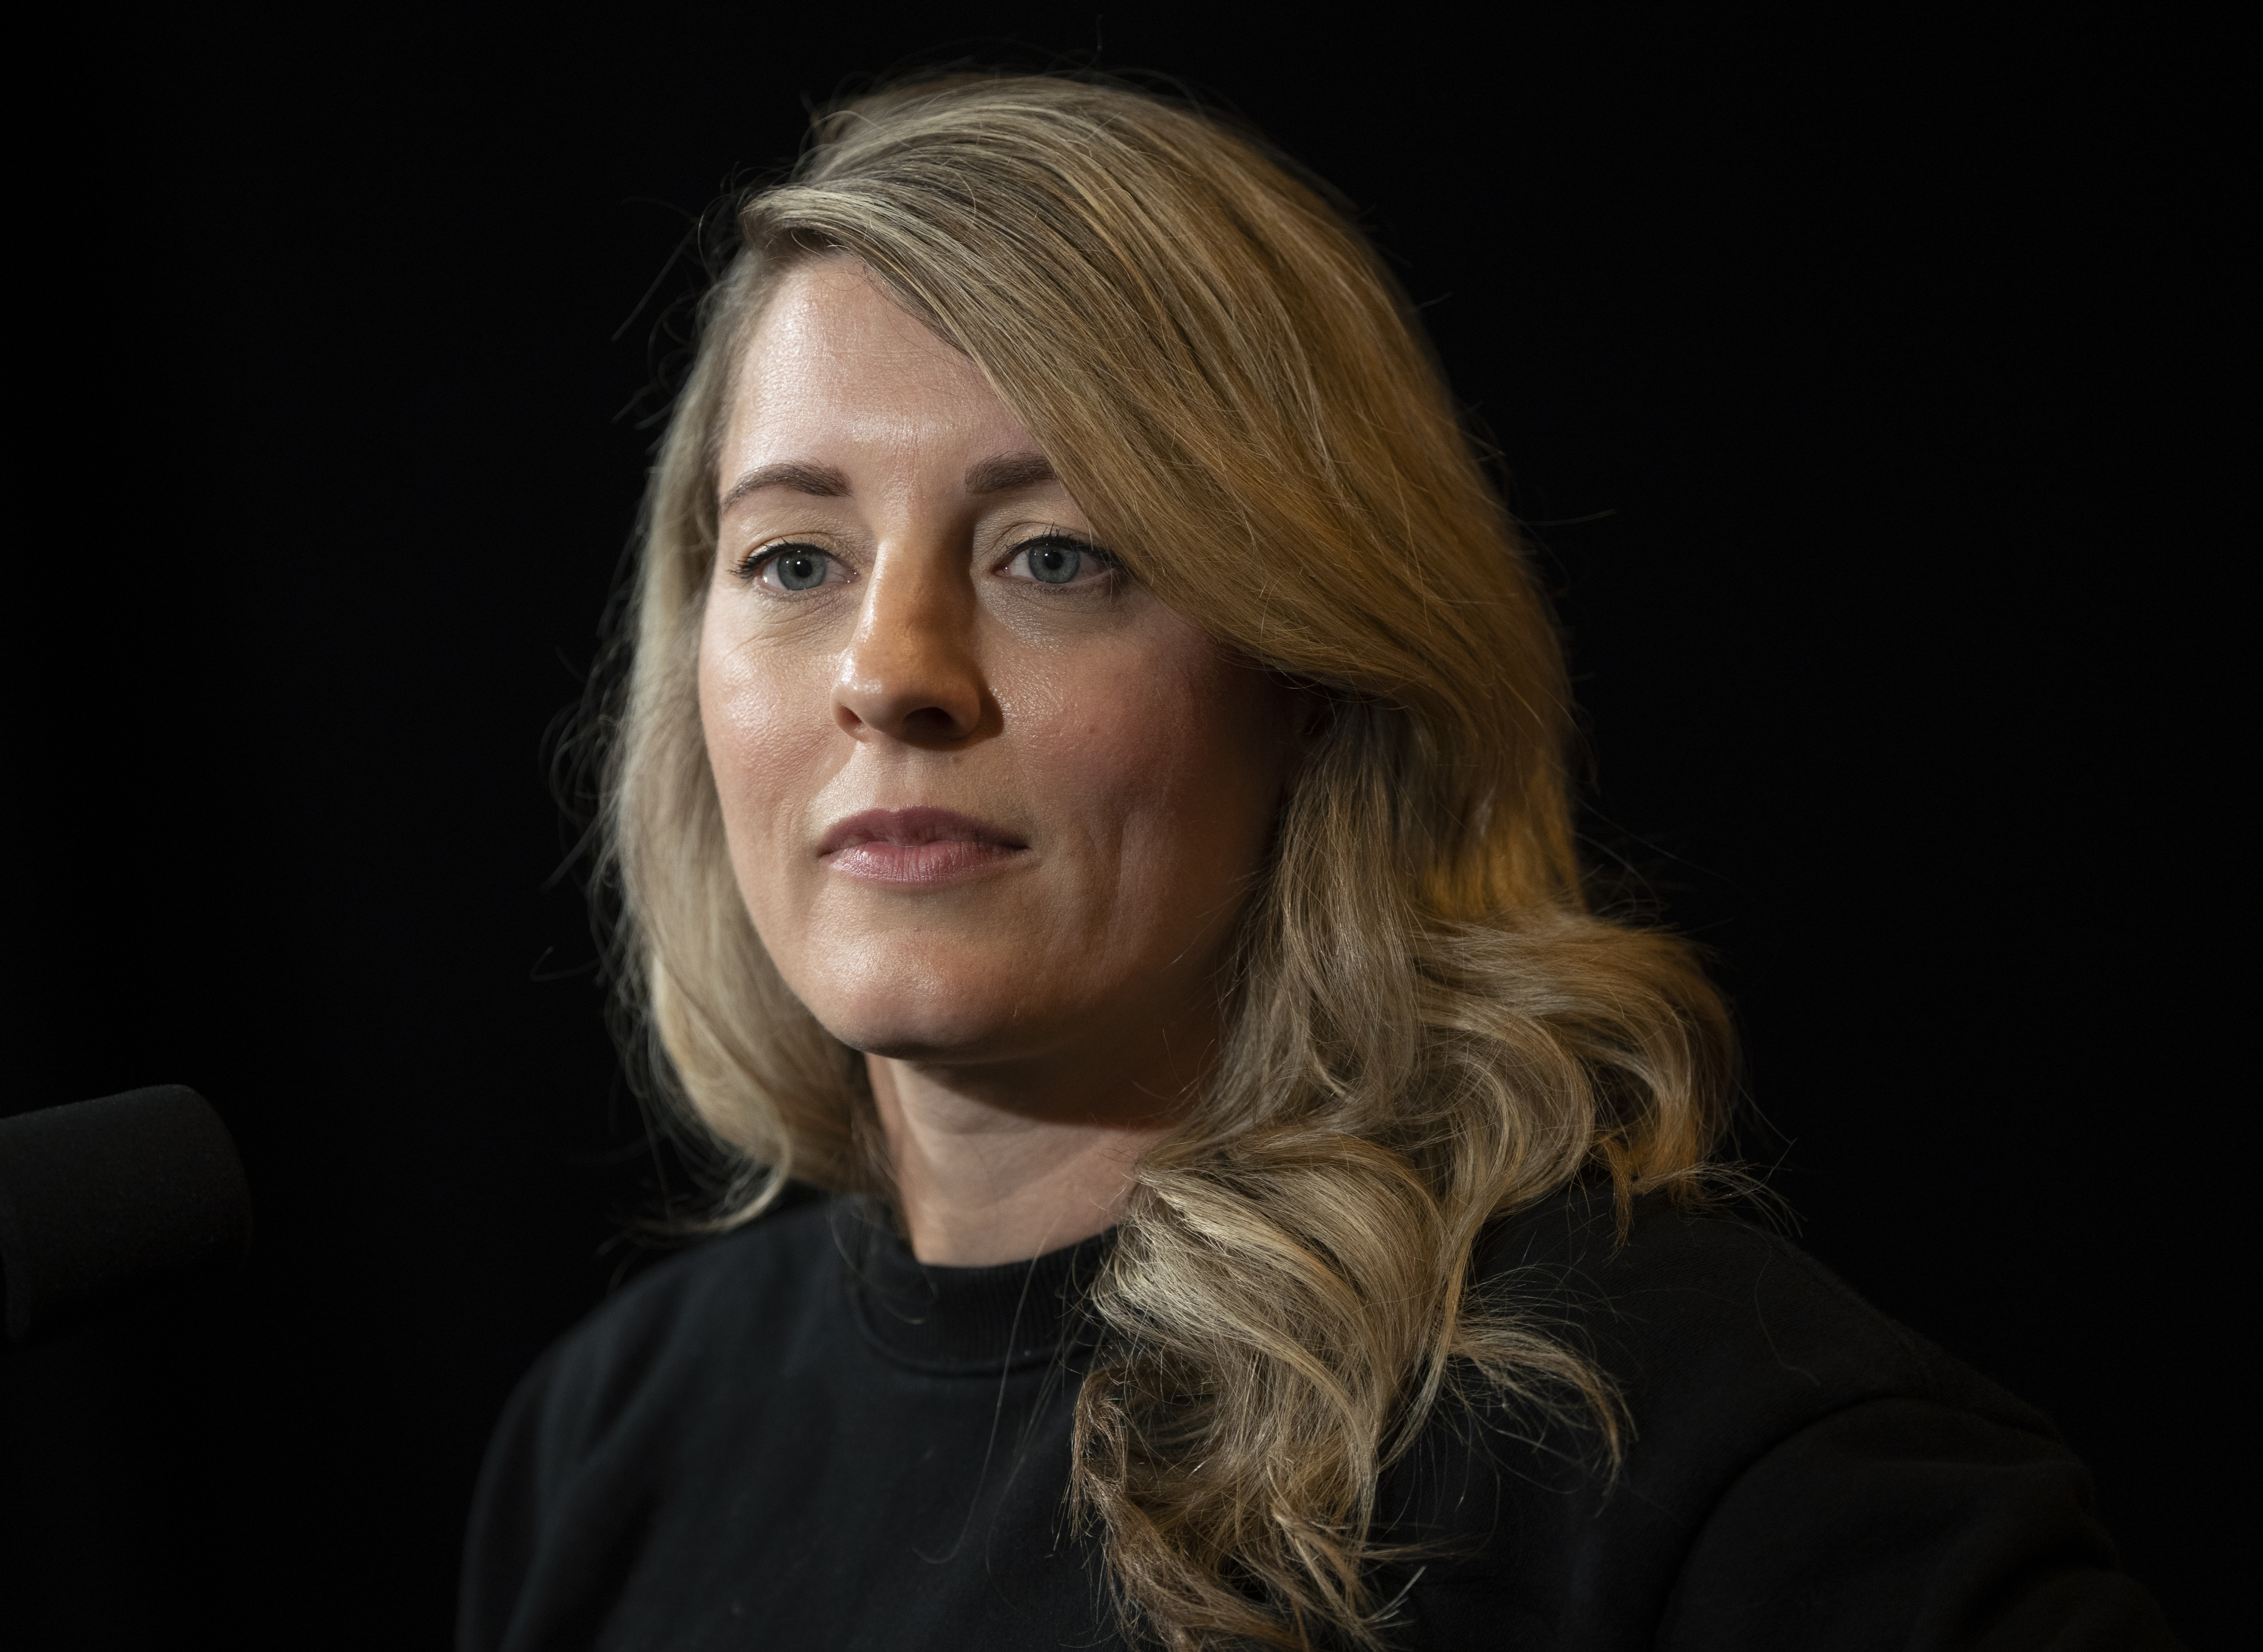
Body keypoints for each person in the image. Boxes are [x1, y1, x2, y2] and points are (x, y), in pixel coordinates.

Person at [459, 73, 2174, 1651]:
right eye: (793, 560)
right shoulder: (611, 1441)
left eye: (1056, 555)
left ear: (1311, 680)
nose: (890, 673)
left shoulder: (1694, 1456)